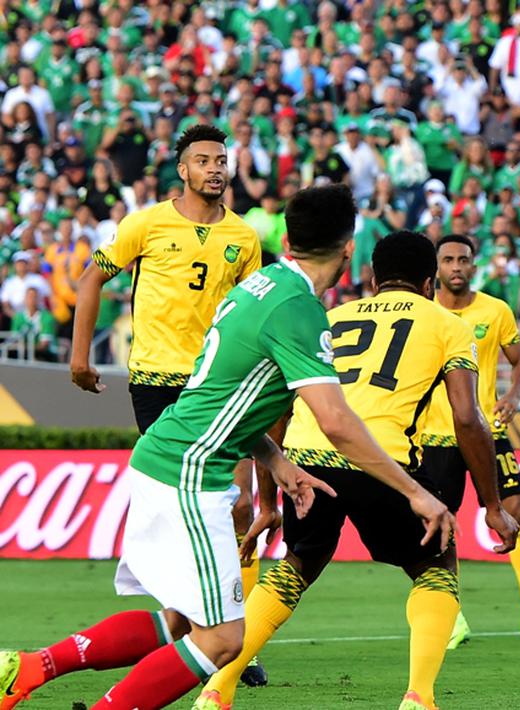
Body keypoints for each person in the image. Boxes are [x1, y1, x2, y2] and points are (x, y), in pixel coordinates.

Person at [0, 185, 456, 710]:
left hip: (170, 454)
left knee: (180, 620)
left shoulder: (259, 284)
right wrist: (414, 493)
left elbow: (224, 394)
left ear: (287, 238)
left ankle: (33, 667)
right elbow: (336, 422)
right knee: (221, 640)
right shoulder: (299, 309)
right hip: (190, 472)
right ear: (349, 248)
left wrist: (278, 462)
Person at [193, 230, 517, 710]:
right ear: (428, 282)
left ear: (371, 277)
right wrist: (493, 506)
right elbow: (468, 418)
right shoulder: (448, 323)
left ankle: (218, 688)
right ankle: (419, 697)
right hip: (377, 458)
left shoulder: (330, 316)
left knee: (297, 566)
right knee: (436, 564)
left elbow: (276, 409)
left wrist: (267, 499)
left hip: (305, 456)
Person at [65, 124, 274, 688]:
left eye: (221, 159)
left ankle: (231, 632)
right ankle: (201, 627)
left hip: (221, 381)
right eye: (203, 160)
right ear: (182, 169)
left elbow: (253, 311)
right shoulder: (146, 223)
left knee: (238, 507)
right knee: (203, 503)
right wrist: (80, 357)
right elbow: (91, 280)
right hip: (159, 381)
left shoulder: (243, 236)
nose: (215, 168)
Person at [421, 235, 520, 649]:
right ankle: (451, 617)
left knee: (517, 510)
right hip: (433, 436)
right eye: (448, 259)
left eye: (463, 259)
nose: (456, 266)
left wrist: (513, 395)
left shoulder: (495, 310)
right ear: (436, 267)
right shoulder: (425, 314)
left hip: (488, 431)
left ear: (474, 265)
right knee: (438, 525)